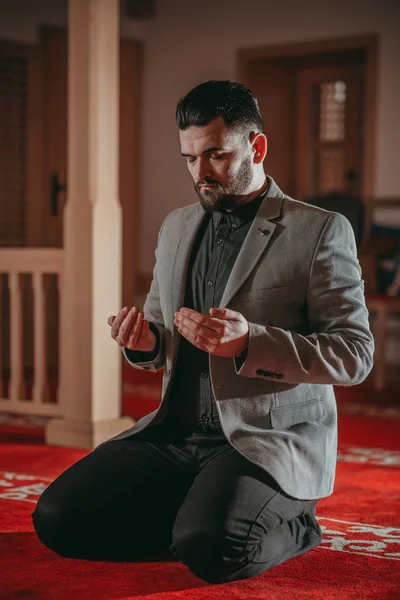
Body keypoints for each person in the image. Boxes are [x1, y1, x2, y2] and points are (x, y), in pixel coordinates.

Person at [32, 80, 374, 584]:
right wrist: (144, 343)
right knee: (57, 521)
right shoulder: (175, 226)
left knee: (215, 549)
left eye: (215, 155)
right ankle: (197, 523)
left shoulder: (320, 230)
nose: (200, 172)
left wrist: (250, 343)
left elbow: (354, 355)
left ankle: (295, 524)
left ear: (256, 147)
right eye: (190, 158)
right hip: (175, 435)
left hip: (264, 439)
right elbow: (159, 330)